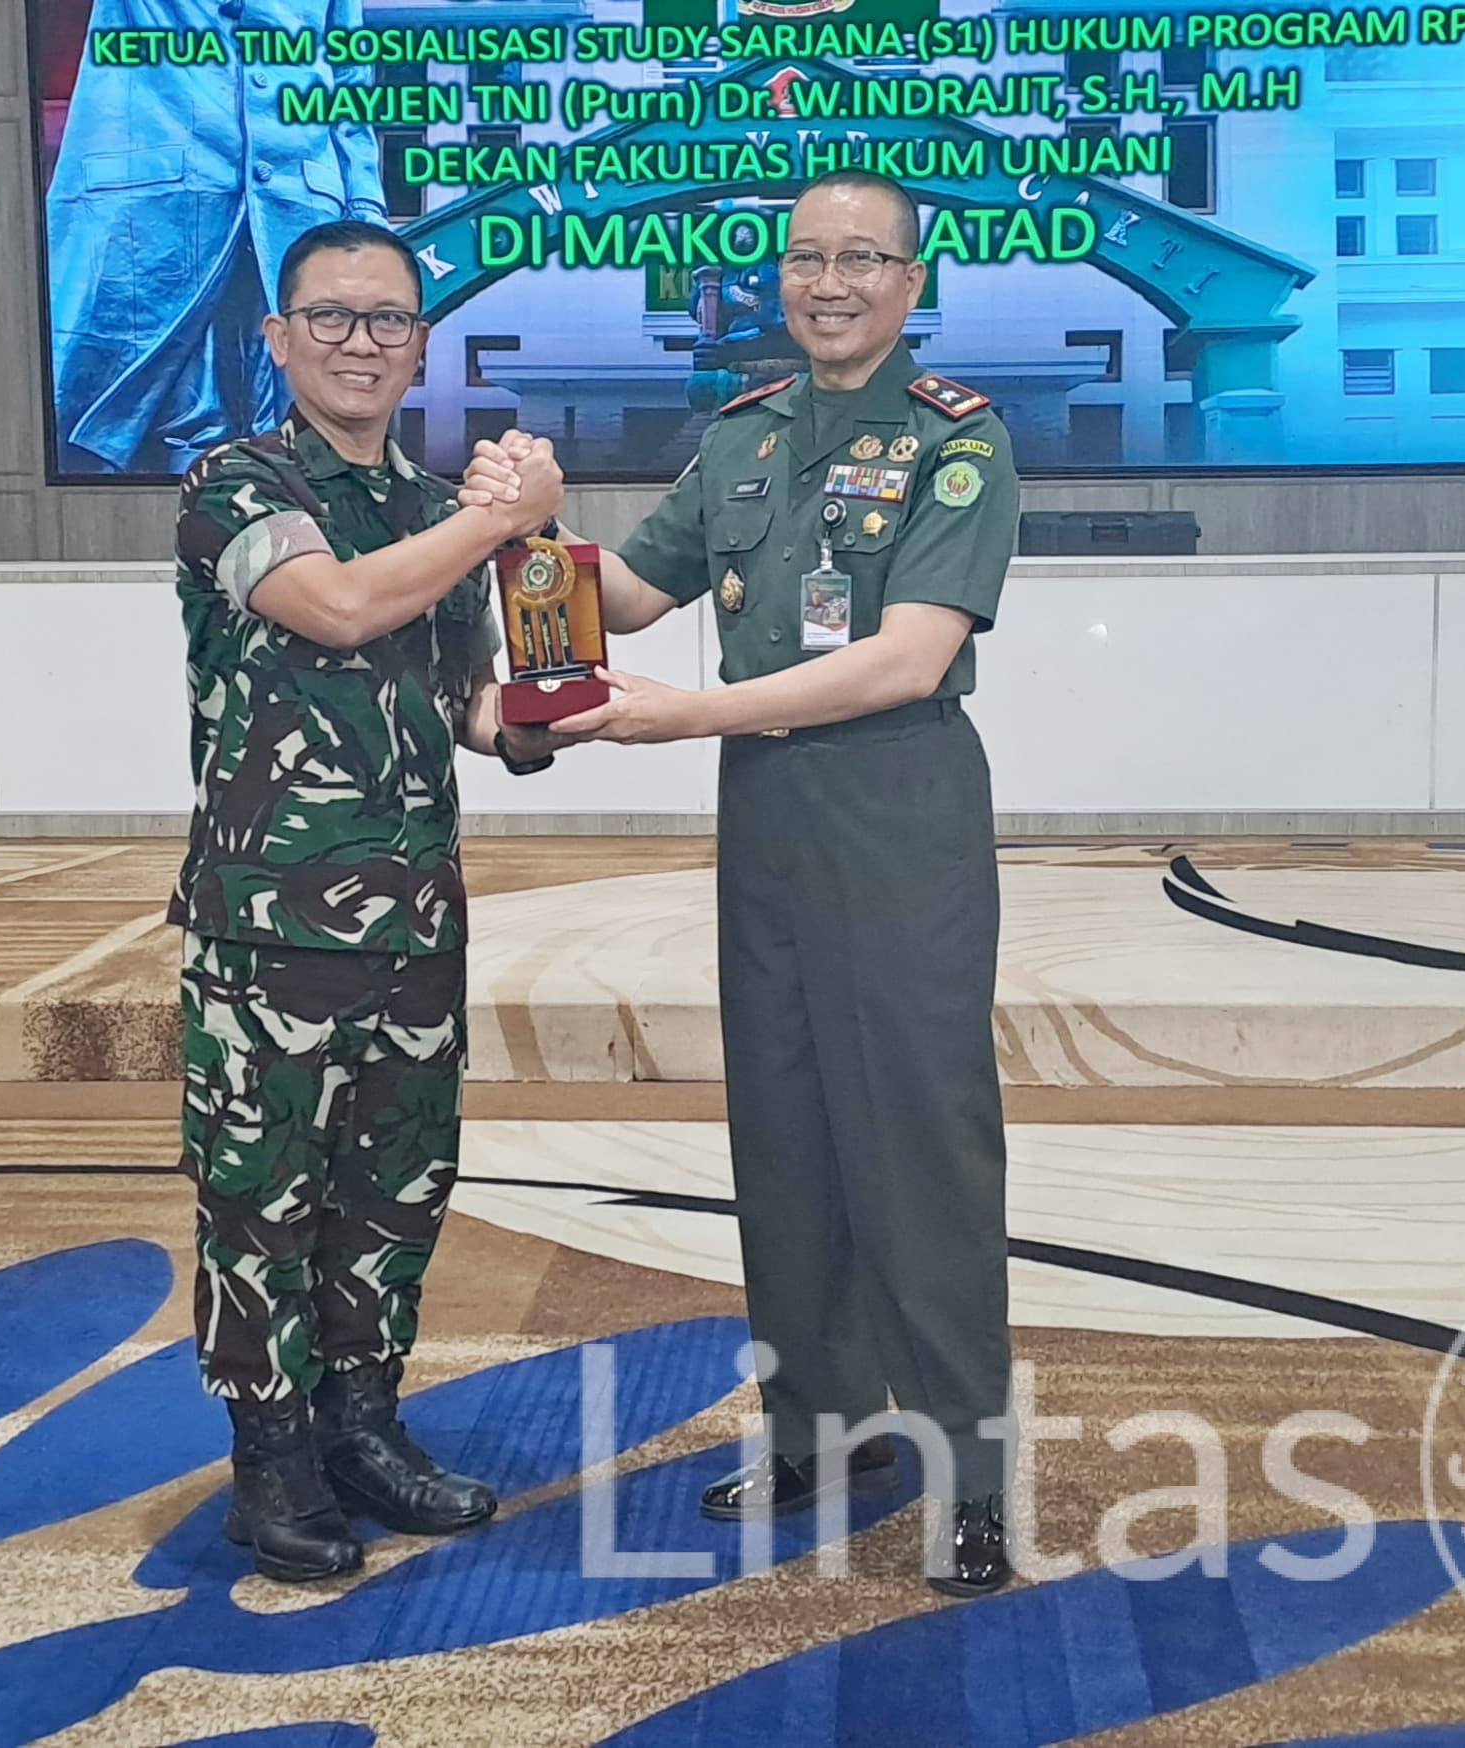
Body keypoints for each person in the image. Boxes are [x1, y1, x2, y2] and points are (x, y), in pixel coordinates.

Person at [461, 170, 1021, 1597]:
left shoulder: (958, 440)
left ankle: (967, 1469)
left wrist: (690, 715)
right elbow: (631, 596)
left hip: (895, 808)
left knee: (918, 1139)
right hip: (767, 816)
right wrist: (522, 527)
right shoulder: (743, 436)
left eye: (862, 259)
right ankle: (820, 1427)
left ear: (910, 282)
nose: (830, 283)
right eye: (806, 258)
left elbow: (905, 657)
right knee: (782, 1131)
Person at [171, 218, 567, 1583]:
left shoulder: (429, 506)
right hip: (271, 927)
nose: (360, 341)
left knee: (395, 1188)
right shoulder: (237, 483)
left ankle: (362, 1427)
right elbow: (336, 609)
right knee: (261, 1196)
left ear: (420, 347)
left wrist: (557, 706)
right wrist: (491, 519)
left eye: (388, 319)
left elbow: (466, 702)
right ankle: (270, 1459)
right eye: (331, 317)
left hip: (413, 922)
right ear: (279, 338)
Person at [46, 0, 391, 476]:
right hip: (162, 206)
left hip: (297, 208)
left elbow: (350, 78)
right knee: (163, 417)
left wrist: (367, 210)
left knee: (293, 422)